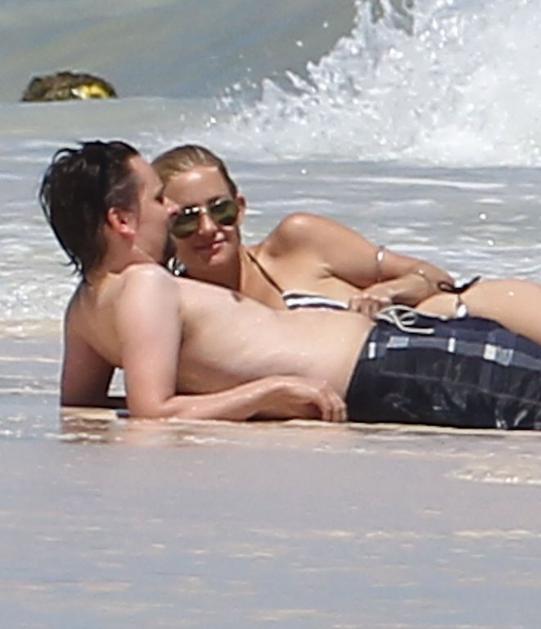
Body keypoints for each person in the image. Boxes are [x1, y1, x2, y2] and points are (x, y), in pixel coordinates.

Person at [40, 140, 541, 430]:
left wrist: (241, 397)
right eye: (157, 200)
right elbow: (154, 413)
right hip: (395, 368)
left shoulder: (84, 306)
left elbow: (84, 408)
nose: (170, 210)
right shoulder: (146, 284)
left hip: (397, 358)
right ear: (121, 220)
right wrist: (267, 392)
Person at [152, 145, 454, 318]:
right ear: (163, 225)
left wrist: (387, 292)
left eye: (221, 210)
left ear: (240, 208)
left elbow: (436, 278)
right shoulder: (173, 309)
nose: (208, 228)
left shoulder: (298, 241)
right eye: (186, 220)